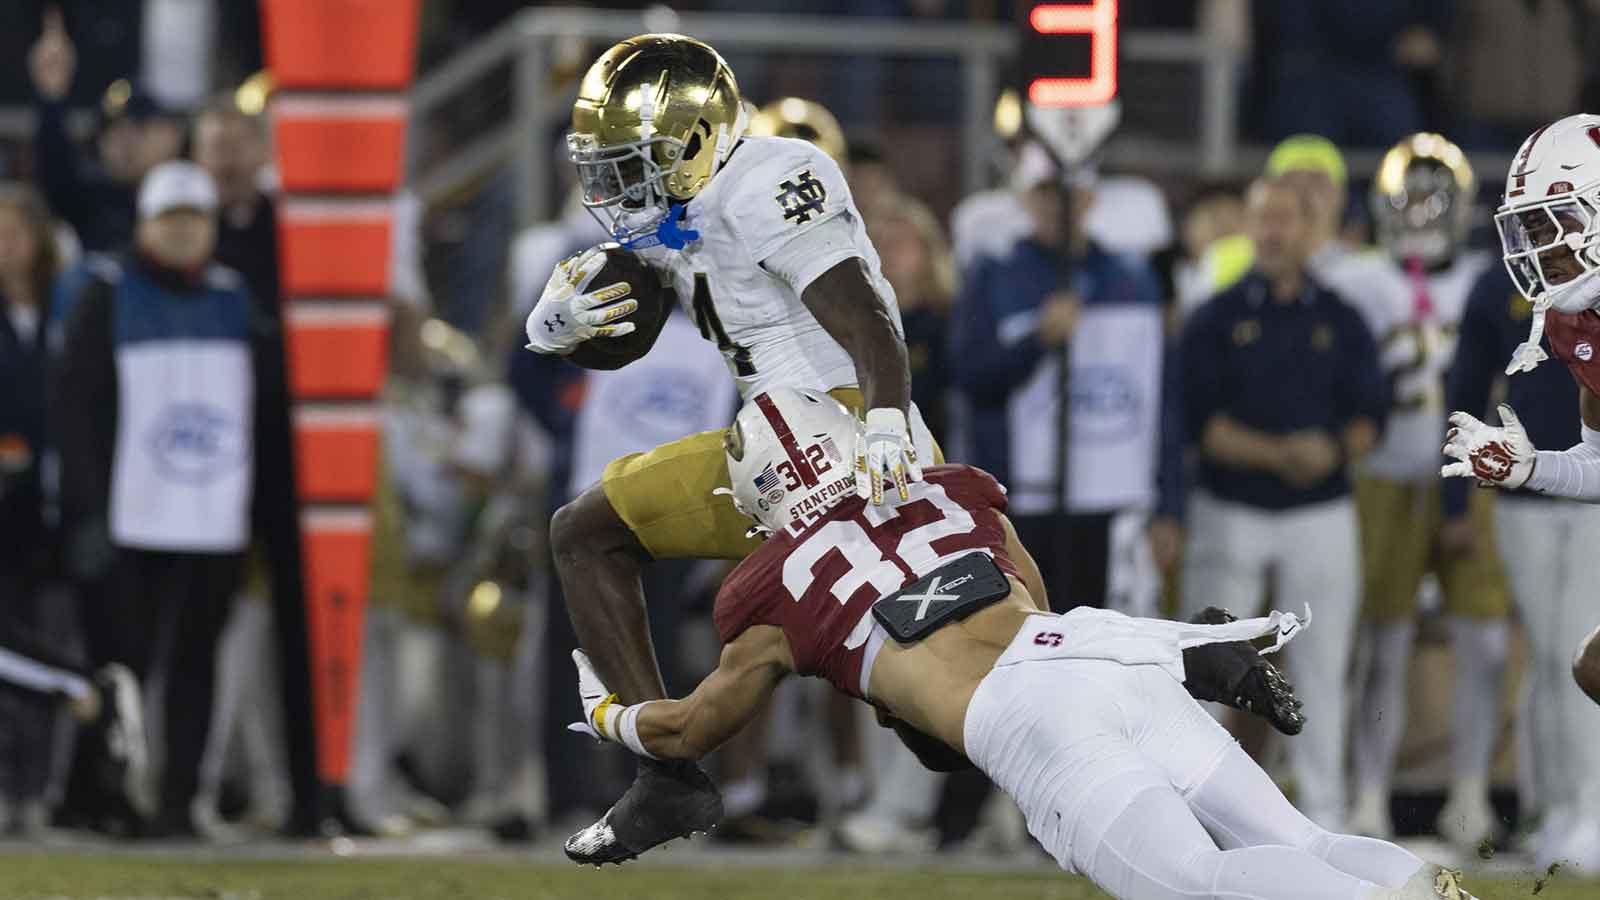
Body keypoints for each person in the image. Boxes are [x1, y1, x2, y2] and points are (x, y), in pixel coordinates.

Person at [564, 387, 1477, 900]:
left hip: (1029, 721)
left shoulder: (770, 591)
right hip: (1092, 651)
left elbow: (687, 732)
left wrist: (612, 715)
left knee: (1199, 881)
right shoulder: (952, 492)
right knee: (1299, 838)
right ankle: (1423, 892)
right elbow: (1034, 599)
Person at [522, 34, 937, 857]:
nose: (614, 184)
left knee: (928, 710)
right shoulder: (681, 199)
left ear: (698, 139)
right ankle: (665, 779)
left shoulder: (769, 177)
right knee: (585, 533)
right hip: (769, 445)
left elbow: (867, 317)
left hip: (842, 428)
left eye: (632, 160)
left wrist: (887, 418)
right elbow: (626, 335)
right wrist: (563, 329)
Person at [52, 161, 266, 835]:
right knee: (123, 668)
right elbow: (75, 408)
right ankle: (108, 798)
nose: (181, 232)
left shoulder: (236, 299)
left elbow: (261, 412)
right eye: (169, 219)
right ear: (145, 224)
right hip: (129, 519)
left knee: (196, 668)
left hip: (214, 523)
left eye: (192, 219)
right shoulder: (106, 293)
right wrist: (85, 510)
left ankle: (178, 803)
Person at [1314, 134, 1510, 848]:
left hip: (1475, 475)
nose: (1423, 215)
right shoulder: (1354, 279)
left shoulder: (1492, 278)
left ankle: (1470, 795)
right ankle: (1368, 798)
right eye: (1411, 199)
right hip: (1383, 478)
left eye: (1436, 200)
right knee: (1381, 645)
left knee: (1485, 643)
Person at [1177, 176, 1388, 831]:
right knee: (1212, 664)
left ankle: (1323, 806)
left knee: (1324, 663)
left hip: (1319, 512)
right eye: (1261, 219)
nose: (1271, 233)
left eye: (1286, 221)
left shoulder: (1342, 318)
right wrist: (1283, 454)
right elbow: (1199, 423)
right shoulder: (1214, 316)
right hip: (1232, 506)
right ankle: (1197, 807)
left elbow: (1371, 416)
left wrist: (1332, 451)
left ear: (1313, 232)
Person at [1439, 112, 1600, 871]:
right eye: (1531, 228)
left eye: (1555, 222)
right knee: (1567, 658)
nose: (1539, 248)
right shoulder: (1572, 320)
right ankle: (1561, 810)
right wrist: (1531, 467)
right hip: (1543, 509)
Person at [949, 140, 1166, 613]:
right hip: (1019, 494)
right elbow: (969, 375)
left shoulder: (1130, 278)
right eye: (1045, 192)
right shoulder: (995, 274)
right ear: (1026, 198)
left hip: (1106, 496)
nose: (1057, 204)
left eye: (1068, 192)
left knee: (1101, 629)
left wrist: (1169, 503)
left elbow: (1159, 391)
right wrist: (1037, 341)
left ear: (1090, 197)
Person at [29, 7, 181, 253]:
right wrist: (51, 98)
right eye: (110, 132)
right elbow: (55, 170)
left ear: (172, 135)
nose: (124, 141)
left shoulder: (196, 191)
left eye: (139, 127)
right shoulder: (92, 202)